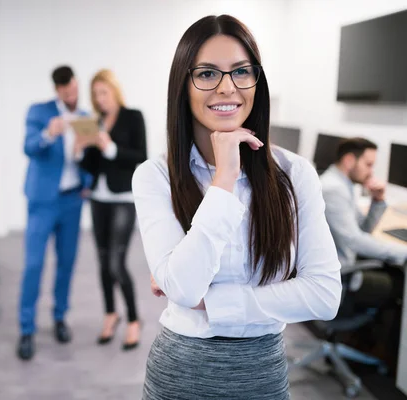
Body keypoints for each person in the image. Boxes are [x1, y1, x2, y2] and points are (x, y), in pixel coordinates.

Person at [132, 15, 342, 399]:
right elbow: (182, 287)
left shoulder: (295, 174)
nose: (227, 87)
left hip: (263, 374)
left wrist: (211, 302)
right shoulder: (155, 176)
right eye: (208, 74)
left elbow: (324, 295)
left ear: (256, 83)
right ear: (183, 84)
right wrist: (225, 177)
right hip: (181, 376)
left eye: (241, 71)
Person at [18, 66, 92, 360]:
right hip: (43, 201)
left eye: (74, 90)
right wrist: (49, 133)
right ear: (57, 90)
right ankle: (26, 329)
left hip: (72, 201)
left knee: (67, 263)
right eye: (65, 92)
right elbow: (28, 147)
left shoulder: (85, 118)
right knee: (34, 265)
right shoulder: (39, 112)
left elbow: (89, 161)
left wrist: (86, 178)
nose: (71, 95)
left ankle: (60, 316)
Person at [320, 138, 406, 368]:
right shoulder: (334, 189)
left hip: (340, 266)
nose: (371, 172)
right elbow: (355, 240)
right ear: (350, 160)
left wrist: (378, 201)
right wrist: (403, 252)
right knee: (399, 283)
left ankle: (360, 341)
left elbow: (361, 229)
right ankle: (385, 355)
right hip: (339, 278)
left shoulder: (342, 185)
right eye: (368, 164)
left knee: (389, 267)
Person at [76, 69, 147, 350]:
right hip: (98, 196)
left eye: (103, 92)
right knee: (102, 260)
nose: (100, 99)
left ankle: (133, 319)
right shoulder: (93, 122)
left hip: (123, 197)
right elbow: (91, 166)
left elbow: (140, 155)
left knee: (117, 261)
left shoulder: (133, 116)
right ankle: (110, 314)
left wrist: (111, 148)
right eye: (95, 94)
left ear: (114, 91)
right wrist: (82, 150)